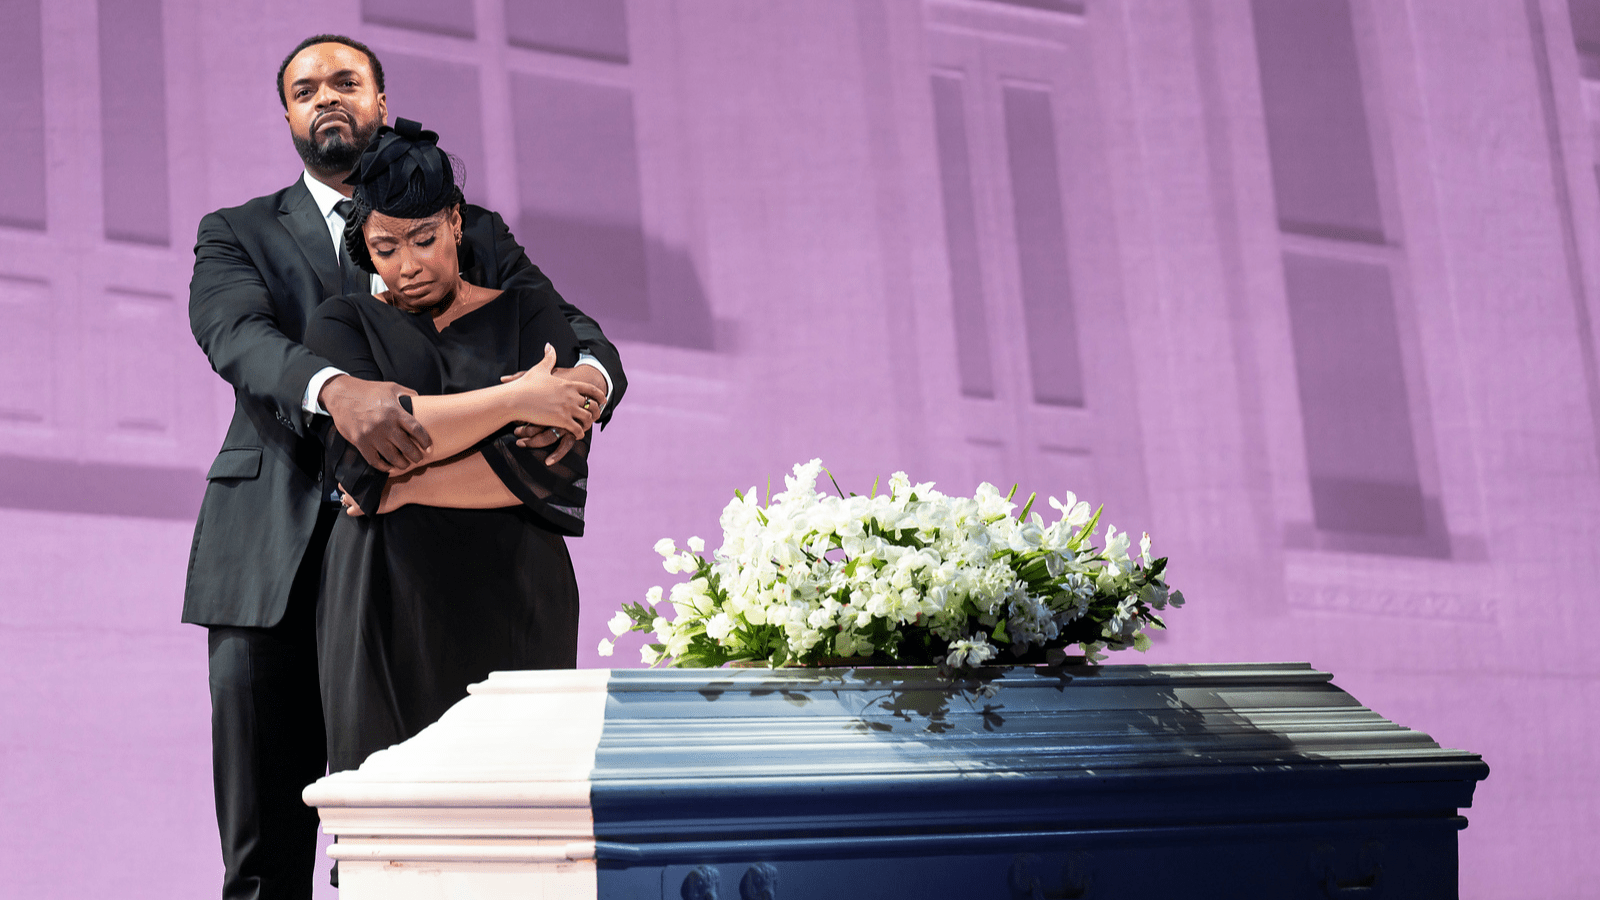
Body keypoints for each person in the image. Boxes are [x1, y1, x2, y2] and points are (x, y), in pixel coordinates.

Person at [184, 34, 625, 900]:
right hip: (269, 557)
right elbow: (236, 337)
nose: (327, 98)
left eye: (346, 81)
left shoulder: (473, 224)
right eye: (305, 89)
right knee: (266, 852)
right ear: (287, 117)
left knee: (425, 832)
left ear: (383, 101)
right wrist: (336, 388)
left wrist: (584, 388)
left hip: (428, 574)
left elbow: (577, 336)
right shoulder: (235, 232)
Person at [304, 120, 599, 774]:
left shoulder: (526, 313)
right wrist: (513, 401)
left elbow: (550, 470)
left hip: (520, 594)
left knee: (527, 824)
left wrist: (407, 471)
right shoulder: (341, 324)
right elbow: (361, 466)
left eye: (424, 239)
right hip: (387, 600)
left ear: (457, 222)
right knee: (390, 824)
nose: (407, 265)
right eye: (384, 247)